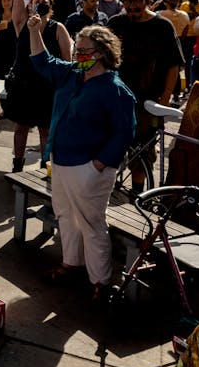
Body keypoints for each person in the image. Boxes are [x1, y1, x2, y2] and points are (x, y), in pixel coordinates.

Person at [30, 21, 135, 294]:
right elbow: (44, 62)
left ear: (100, 53)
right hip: (62, 161)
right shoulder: (76, 72)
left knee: (91, 223)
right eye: (77, 49)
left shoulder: (115, 89)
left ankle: (100, 282)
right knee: (66, 215)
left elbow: (124, 133)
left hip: (89, 168)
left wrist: (98, 164)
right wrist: (33, 31)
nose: (77, 54)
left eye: (83, 50)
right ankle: (71, 265)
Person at [108, 0, 182, 191]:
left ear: (148, 0)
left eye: (137, 1)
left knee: (142, 154)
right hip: (116, 99)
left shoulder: (162, 27)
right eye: (127, 1)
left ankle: (137, 195)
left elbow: (173, 66)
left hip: (148, 102)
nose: (132, 6)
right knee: (109, 147)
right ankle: (105, 192)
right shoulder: (115, 23)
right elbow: (102, 58)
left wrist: (165, 100)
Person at [5, 0, 71, 174]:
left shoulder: (58, 28)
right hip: (23, 84)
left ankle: (45, 167)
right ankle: (17, 165)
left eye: (44, 2)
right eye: (36, 1)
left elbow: (67, 62)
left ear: (50, 8)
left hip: (47, 87)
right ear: (30, 4)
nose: (40, 4)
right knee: (21, 127)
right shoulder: (21, 22)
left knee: (45, 129)